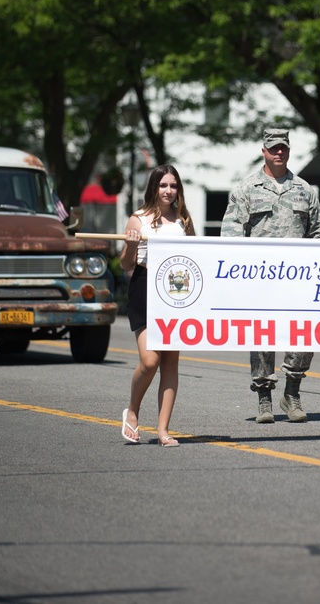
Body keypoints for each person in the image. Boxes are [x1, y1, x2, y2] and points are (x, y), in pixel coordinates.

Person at [220, 128, 320, 423]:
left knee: (303, 336)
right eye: (273, 148)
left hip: (299, 281)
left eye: (283, 148)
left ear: (289, 151)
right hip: (260, 281)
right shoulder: (246, 190)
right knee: (262, 338)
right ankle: (264, 399)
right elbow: (230, 237)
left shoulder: (305, 190)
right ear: (264, 151)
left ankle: (291, 394)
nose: (279, 152)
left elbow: (319, 235)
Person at [119, 165, 196, 446]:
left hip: (176, 292)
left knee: (170, 362)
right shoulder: (138, 219)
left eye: (173, 185)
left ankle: (163, 430)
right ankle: (133, 411)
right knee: (150, 360)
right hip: (144, 287)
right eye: (163, 185)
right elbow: (125, 264)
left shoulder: (184, 221)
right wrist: (129, 245)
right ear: (153, 188)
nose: (168, 191)